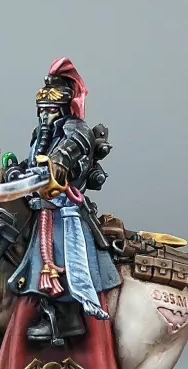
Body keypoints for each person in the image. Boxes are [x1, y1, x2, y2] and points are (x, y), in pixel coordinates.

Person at [6, 58, 121, 344]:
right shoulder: (40, 134)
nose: (45, 115)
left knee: (60, 253)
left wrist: (57, 163)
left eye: (50, 109)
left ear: (63, 108)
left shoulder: (76, 130)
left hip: (65, 210)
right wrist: (16, 171)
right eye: (42, 110)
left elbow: (67, 153)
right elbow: (33, 162)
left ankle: (67, 318)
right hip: (39, 206)